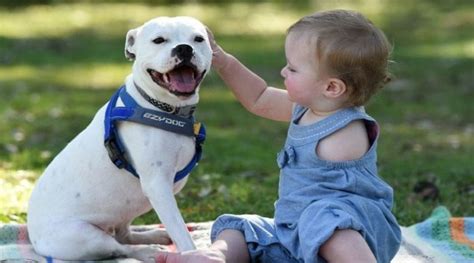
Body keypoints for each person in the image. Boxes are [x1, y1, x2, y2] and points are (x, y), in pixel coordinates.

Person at [157, 9, 401, 263]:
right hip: (293, 234)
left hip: (353, 232)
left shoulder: (348, 130)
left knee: (327, 220)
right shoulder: (308, 108)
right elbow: (259, 98)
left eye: (293, 69)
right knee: (242, 228)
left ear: (331, 87)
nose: (284, 72)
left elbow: (339, 202)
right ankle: (216, 256)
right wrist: (223, 60)